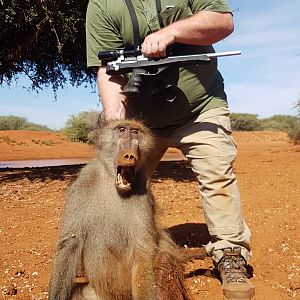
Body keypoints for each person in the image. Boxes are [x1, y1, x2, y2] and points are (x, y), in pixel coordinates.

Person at [86, 0, 255, 299]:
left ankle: (230, 254)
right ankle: (116, 260)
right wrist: (116, 124)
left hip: (201, 108)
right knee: (123, 182)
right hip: (140, 121)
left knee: (216, 175)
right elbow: (109, 70)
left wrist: (172, 33)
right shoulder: (101, 5)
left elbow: (223, 22)